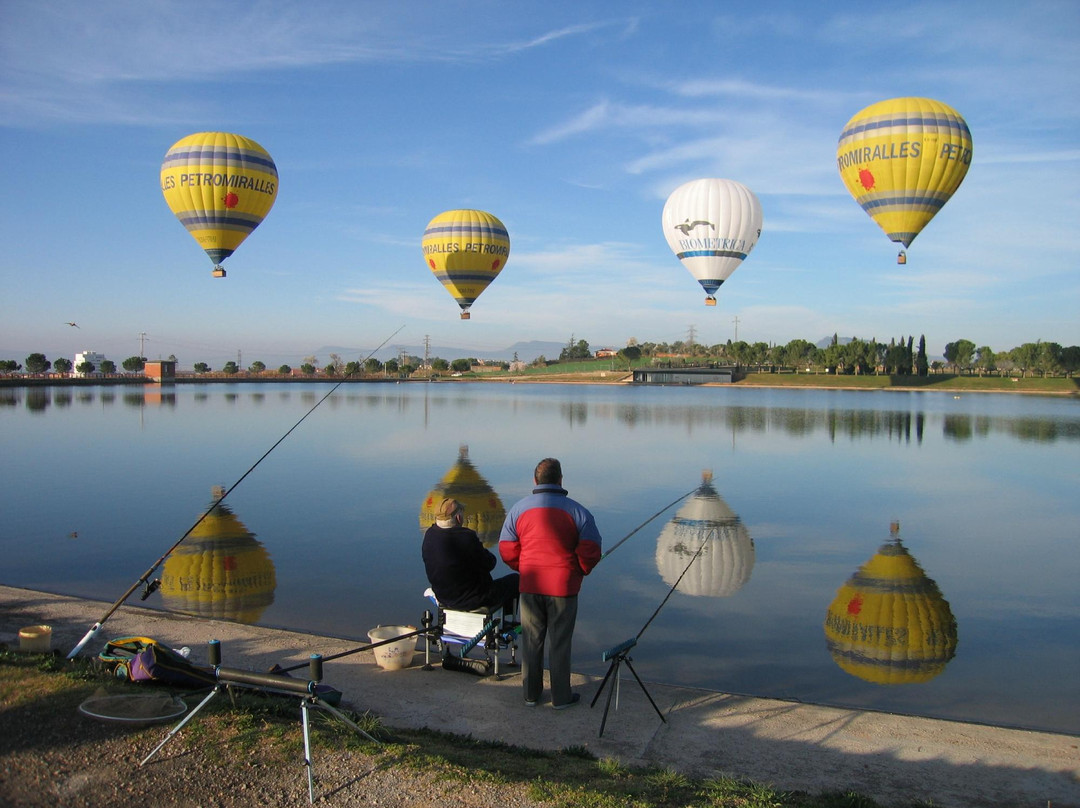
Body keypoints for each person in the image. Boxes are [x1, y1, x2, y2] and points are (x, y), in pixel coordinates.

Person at [499, 458, 602, 709]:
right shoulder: (578, 512)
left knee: (531, 641)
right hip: (563, 588)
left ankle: (530, 695)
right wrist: (579, 570)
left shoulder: (518, 510)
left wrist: (523, 568)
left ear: (535, 481)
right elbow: (591, 549)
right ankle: (561, 698)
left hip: (530, 586)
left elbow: (506, 549)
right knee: (560, 643)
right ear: (561, 480)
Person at [422, 497, 518, 616]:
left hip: (443, 597)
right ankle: (503, 622)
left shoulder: (429, 535)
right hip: (473, 599)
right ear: (458, 518)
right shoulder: (466, 537)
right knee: (515, 580)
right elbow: (490, 563)